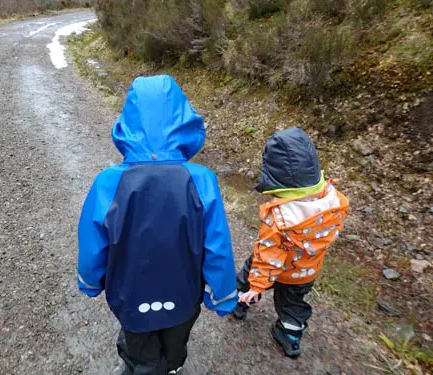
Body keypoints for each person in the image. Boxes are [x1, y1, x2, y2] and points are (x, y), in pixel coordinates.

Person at [77, 75, 238, 375]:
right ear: (183, 120)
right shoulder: (201, 180)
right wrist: (223, 294)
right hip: (184, 295)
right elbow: (217, 245)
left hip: (129, 294)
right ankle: (171, 365)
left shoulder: (108, 182)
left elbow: (93, 242)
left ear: (128, 122)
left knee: (140, 350)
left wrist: (90, 280)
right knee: (175, 346)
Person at [234, 127, 350, 358]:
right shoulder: (334, 201)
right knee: (293, 304)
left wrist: (258, 286)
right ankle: (291, 335)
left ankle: (239, 302)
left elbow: (267, 257)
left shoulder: (280, 217)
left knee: (249, 275)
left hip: (275, 268)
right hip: (305, 272)